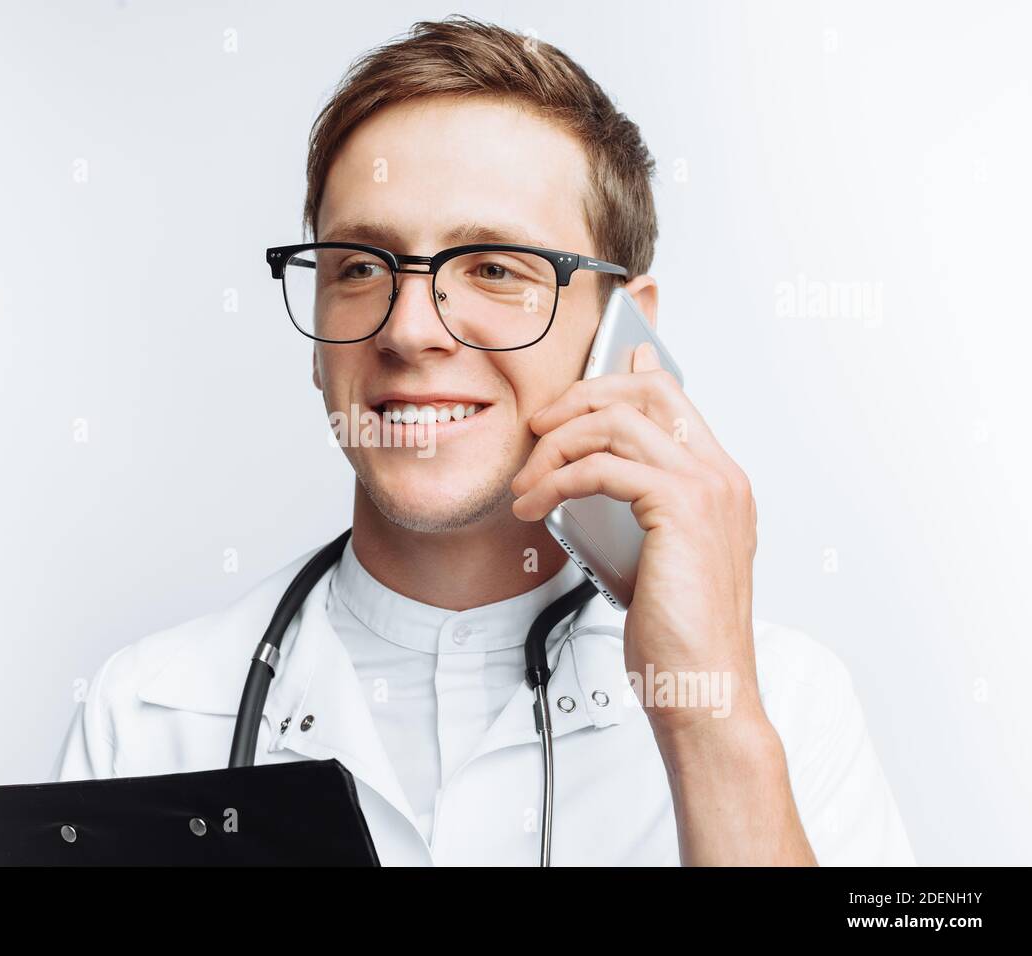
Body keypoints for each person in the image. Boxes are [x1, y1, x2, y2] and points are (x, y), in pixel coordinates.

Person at [53, 16, 914, 866]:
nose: (412, 330)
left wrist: (706, 726)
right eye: (360, 266)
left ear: (627, 337)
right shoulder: (150, 716)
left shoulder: (783, 705)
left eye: (495, 269)